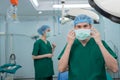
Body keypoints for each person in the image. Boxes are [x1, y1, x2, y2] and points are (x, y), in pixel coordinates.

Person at [58, 14, 118, 80]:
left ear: (90, 27)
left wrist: (99, 43)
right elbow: (61, 69)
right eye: (79, 27)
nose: (82, 29)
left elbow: (114, 68)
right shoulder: (70, 45)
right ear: (75, 28)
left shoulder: (101, 44)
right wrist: (69, 44)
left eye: (85, 26)